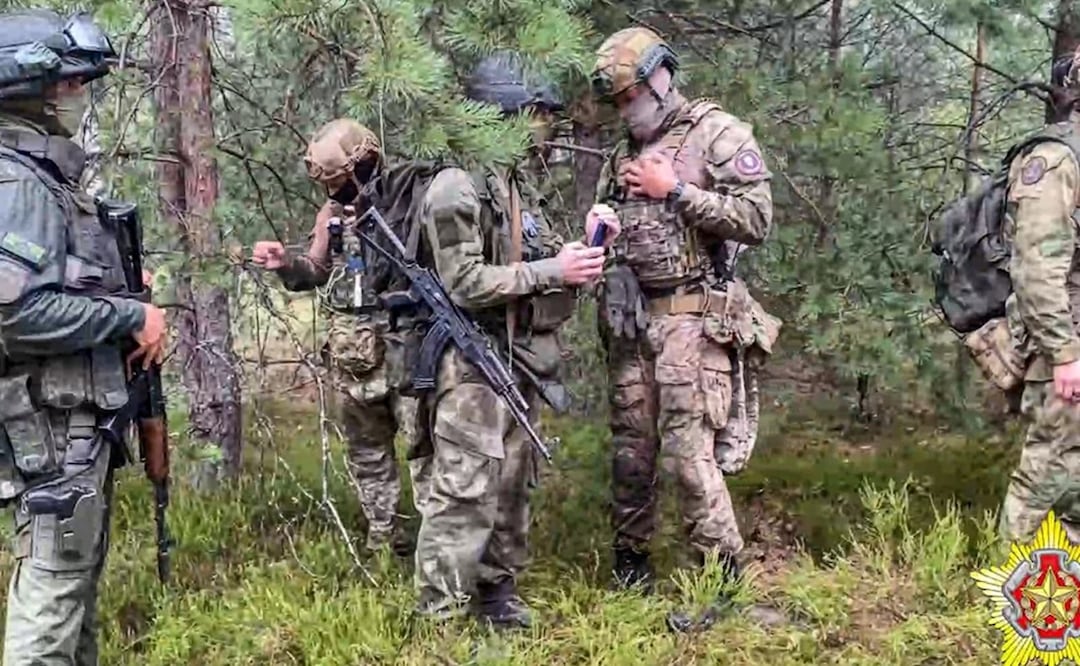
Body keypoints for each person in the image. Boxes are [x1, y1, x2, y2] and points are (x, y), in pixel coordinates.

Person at [412, 50, 618, 628]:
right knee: (463, 494)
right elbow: (464, 282)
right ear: (505, 114)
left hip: (518, 359)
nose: (548, 130)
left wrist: (583, 248)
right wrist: (555, 272)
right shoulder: (455, 187)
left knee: (511, 491)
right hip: (470, 364)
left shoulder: (516, 183)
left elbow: (541, 257)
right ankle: (440, 618)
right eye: (539, 115)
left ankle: (497, 596)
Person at [590, 26, 781, 629]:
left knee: (689, 455)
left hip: (692, 322)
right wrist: (606, 250)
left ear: (660, 77)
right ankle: (631, 567)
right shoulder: (623, 151)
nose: (627, 110)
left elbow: (756, 218)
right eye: (617, 102)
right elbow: (612, 227)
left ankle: (722, 584)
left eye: (631, 96)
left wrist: (676, 192)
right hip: (634, 324)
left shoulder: (716, 133)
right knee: (631, 451)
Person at [0, 9, 169, 664]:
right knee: (48, 610)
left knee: (73, 603)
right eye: (68, 84)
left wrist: (119, 291)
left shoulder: (38, 174)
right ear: (29, 90)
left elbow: (50, 284)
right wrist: (130, 317)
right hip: (51, 432)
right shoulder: (18, 183)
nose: (78, 95)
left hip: (72, 428)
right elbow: (15, 314)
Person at [251, 119, 432, 554]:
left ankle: (438, 539)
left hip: (407, 351)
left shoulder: (407, 201)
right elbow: (314, 270)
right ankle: (383, 534)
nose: (341, 192)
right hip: (355, 356)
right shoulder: (331, 215)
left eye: (346, 181)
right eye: (333, 186)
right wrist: (284, 264)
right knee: (367, 450)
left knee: (425, 447)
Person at [998, 47, 1080, 545]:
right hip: (1064, 349)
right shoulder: (1055, 160)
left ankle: (1060, 608)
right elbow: (1035, 267)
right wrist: (1065, 353)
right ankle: (1012, 608)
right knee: (1047, 476)